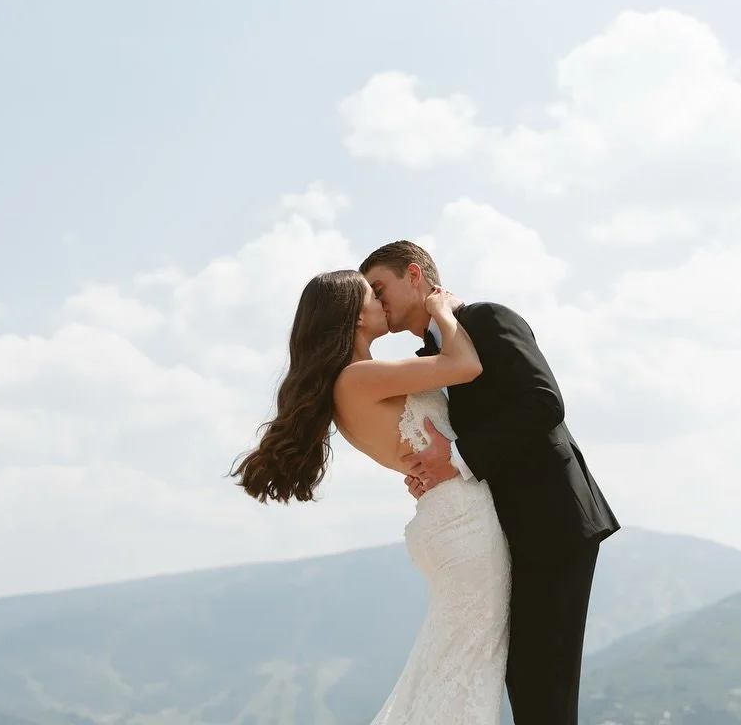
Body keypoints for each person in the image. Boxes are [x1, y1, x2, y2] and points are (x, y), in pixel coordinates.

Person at [231, 268, 511, 725]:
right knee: (462, 671)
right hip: (463, 528)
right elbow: (466, 366)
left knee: (452, 668)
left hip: (447, 520)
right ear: (355, 317)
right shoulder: (358, 378)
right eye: (373, 296)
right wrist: (442, 309)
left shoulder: (356, 383)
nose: (384, 303)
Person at [359, 241, 620, 725]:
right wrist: (432, 473)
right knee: (523, 681)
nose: (377, 302)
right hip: (508, 531)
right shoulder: (437, 355)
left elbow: (544, 402)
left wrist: (455, 459)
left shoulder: (490, 319)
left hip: (554, 523)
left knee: (545, 684)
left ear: (415, 276)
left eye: (380, 288)